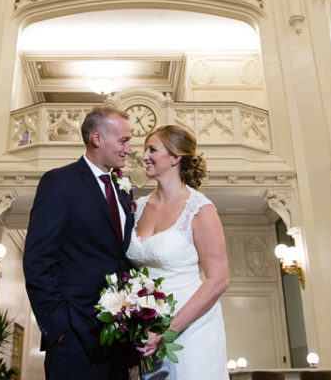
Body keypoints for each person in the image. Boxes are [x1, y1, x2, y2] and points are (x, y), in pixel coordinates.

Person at [23, 106, 135, 380]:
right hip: (74, 337)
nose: (129, 149)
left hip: (117, 340)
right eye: (123, 141)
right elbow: (37, 260)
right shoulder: (60, 182)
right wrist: (60, 329)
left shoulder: (124, 190)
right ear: (97, 139)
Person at [127, 124, 229, 379]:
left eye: (152, 149)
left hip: (192, 329)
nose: (144, 156)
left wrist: (168, 331)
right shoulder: (136, 207)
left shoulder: (200, 209)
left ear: (175, 158)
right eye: (144, 149)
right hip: (147, 329)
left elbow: (218, 281)